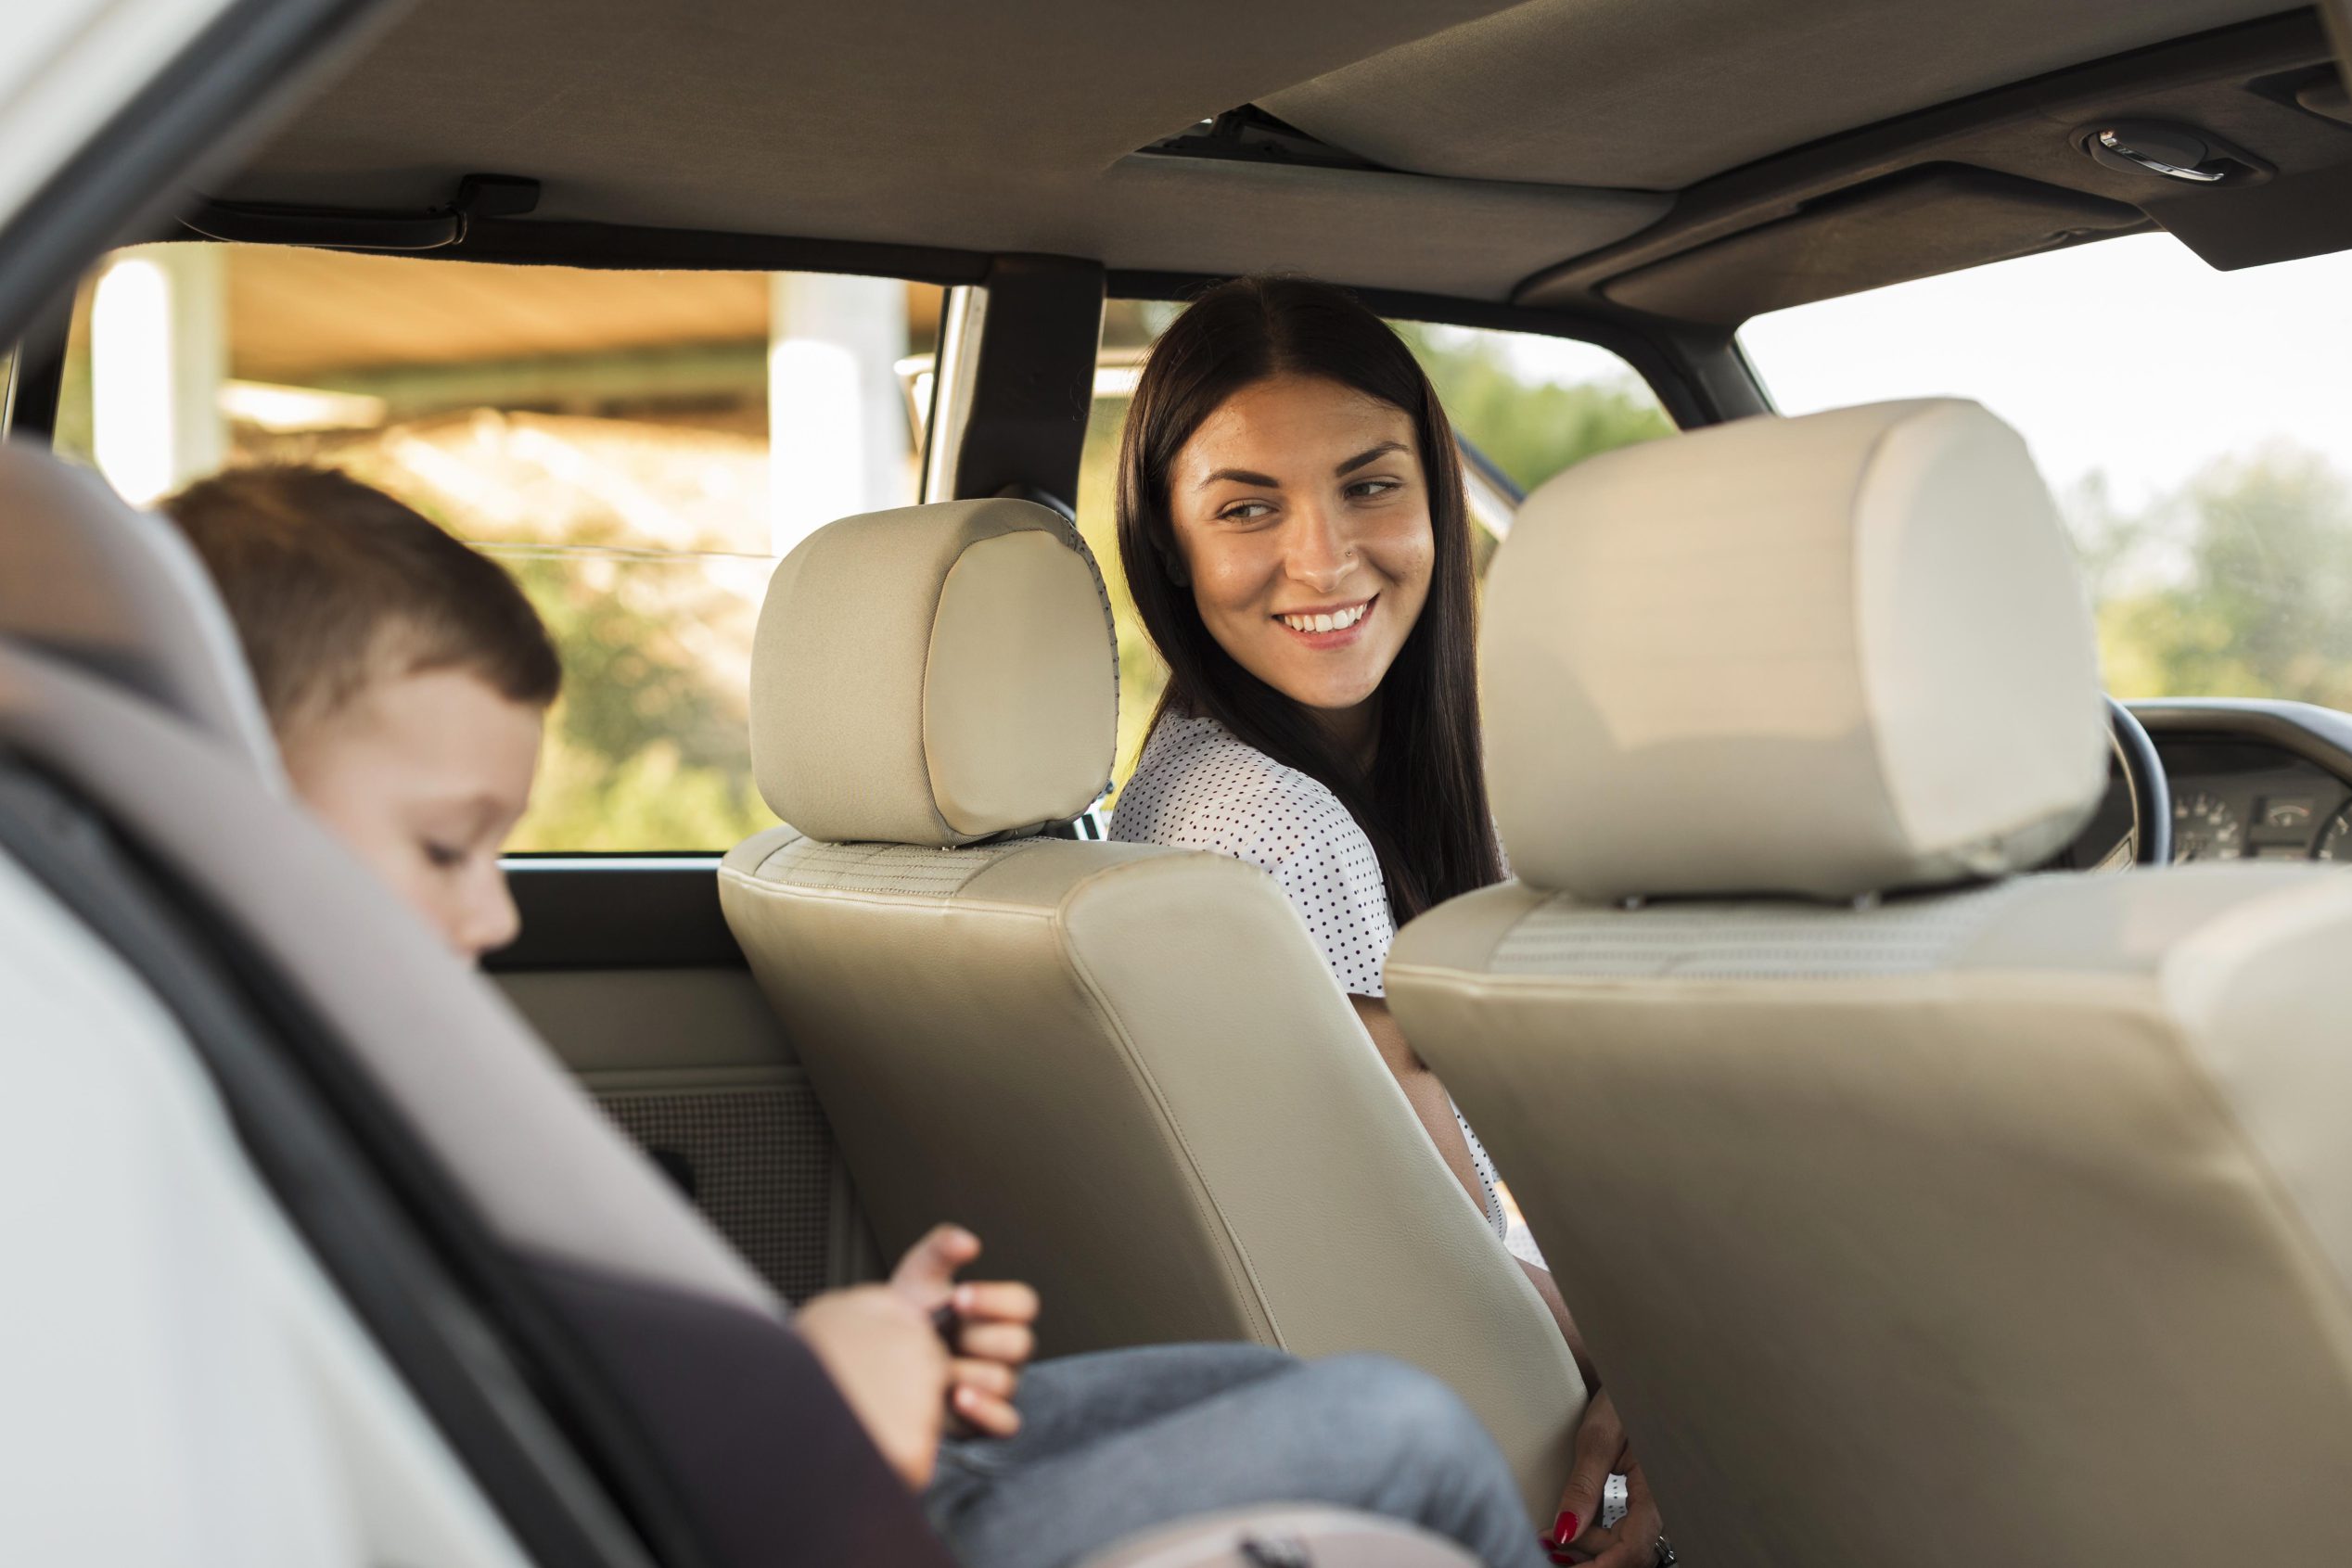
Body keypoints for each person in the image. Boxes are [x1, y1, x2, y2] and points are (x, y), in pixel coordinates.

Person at [160, 465, 1549, 1568]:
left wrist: (831, 1364)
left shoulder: (307, 1073)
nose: (500, 913)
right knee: (1398, 1426)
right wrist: (826, 1427)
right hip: (757, 1515)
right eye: (450, 847)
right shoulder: (165, 1117)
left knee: (1247, 1394)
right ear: (219, 792)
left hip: (749, 1461)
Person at [1107, 277, 1666, 1567]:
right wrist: (1686, 1380)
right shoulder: (1275, 830)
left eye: (1369, 486)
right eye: (1249, 508)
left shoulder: (1182, 778)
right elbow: (1448, 1266)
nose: (1324, 558)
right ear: (1166, 543)